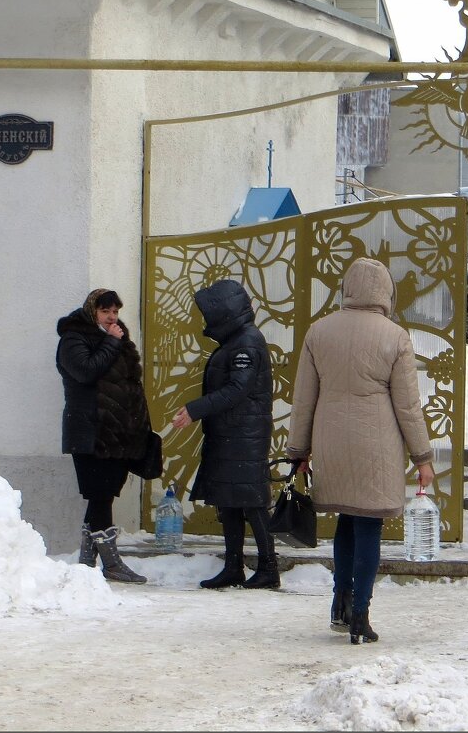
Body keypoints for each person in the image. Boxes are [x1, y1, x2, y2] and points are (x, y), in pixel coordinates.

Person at [286, 258, 435, 645]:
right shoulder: (395, 337)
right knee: (368, 523)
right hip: (377, 443)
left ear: (347, 288)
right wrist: (423, 458)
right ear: (385, 291)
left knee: (346, 521)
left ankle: (340, 601)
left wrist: (298, 450)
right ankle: (361, 616)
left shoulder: (318, 332)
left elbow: (304, 399)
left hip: (331, 441)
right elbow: (407, 406)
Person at [170, 279, 277, 590]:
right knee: (229, 500)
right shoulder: (236, 340)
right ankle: (233, 566)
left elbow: (237, 389)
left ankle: (268, 566)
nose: (205, 321)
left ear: (224, 313)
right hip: (232, 434)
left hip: (244, 437)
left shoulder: (246, 342)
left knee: (252, 501)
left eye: (209, 314)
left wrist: (195, 409)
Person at [56, 288, 151, 584]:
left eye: (115, 312)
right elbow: (86, 372)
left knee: (103, 496)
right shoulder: (73, 338)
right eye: (105, 312)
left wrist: (139, 427)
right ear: (92, 311)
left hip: (117, 433)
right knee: (100, 496)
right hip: (90, 431)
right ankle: (111, 564)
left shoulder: (119, 339)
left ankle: (86, 566)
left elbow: (130, 384)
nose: (112, 318)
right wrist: (111, 342)